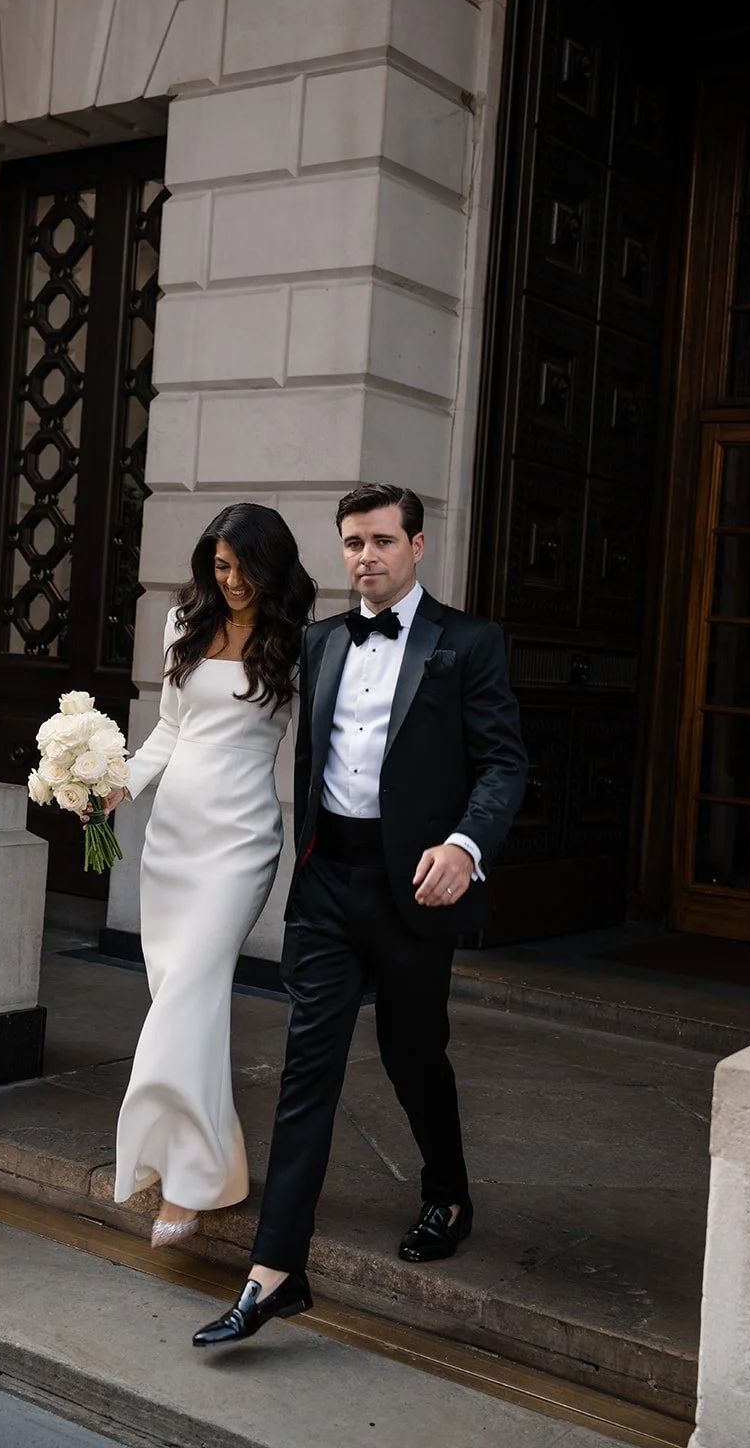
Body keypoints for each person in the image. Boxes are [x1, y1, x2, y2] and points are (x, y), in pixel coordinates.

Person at [192, 483, 527, 1346]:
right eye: (351, 543)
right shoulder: (318, 641)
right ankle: (273, 1274)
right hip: (328, 884)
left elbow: (501, 764)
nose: (365, 557)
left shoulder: (469, 642)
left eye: (381, 541)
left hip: (413, 886)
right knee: (308, 1068)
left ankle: (446, 1191)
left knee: (413, 1054)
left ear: (417, 545)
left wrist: (463, 845)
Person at [100, 503, 315, 1250]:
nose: (227, 580)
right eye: (217, 566)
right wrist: (121, 781)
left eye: (240, 567)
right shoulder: (182, 622)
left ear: (271, 566)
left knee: (187, 996)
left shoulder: (299, 643)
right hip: (173, 837)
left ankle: (185, 1186)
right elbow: (169, 725)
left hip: (240, 840)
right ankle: (203, 1165)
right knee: (178, 1005)